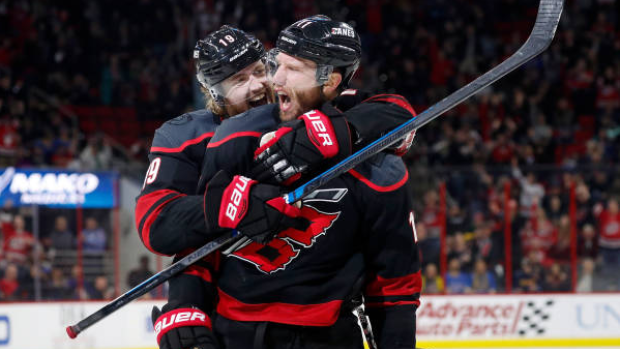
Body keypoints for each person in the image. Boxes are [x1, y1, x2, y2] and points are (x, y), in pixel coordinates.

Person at [140, 23, 418, 349]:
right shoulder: (187, 138)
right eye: (239, 80)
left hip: (321, 313)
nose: (260, 85)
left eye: (261, 70)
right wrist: (185, 304)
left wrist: (338, 132)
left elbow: (396, 112)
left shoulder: (308, 108)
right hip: (231, 309)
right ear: (214, 91)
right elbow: (160, 226)